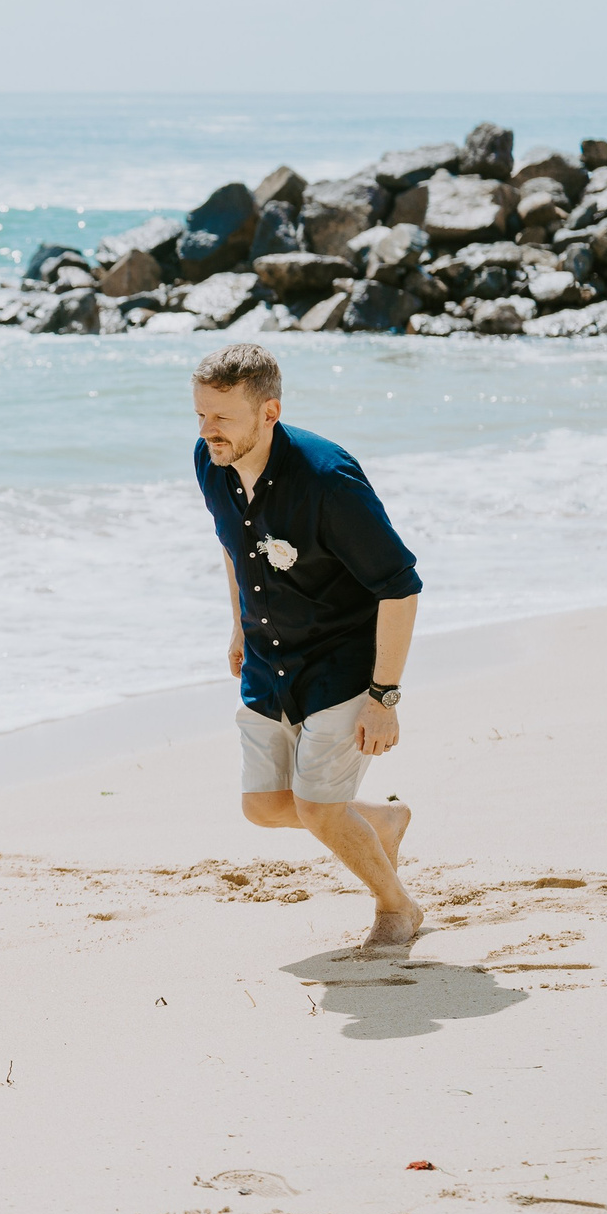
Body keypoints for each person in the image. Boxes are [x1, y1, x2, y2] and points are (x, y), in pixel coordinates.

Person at [191, 342, 424, 950]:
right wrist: (239, 623)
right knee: (265, 805)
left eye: (222, 418)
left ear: (269, 413)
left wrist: (385, 696)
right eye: (200, 416)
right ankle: (382, 819)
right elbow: (230, 541)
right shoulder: (210, 458)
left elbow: (400, 585)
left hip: (343, 659)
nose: (208, 431)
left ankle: (397, 908)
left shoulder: (327, 481)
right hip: (271, 656)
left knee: (319, 807)